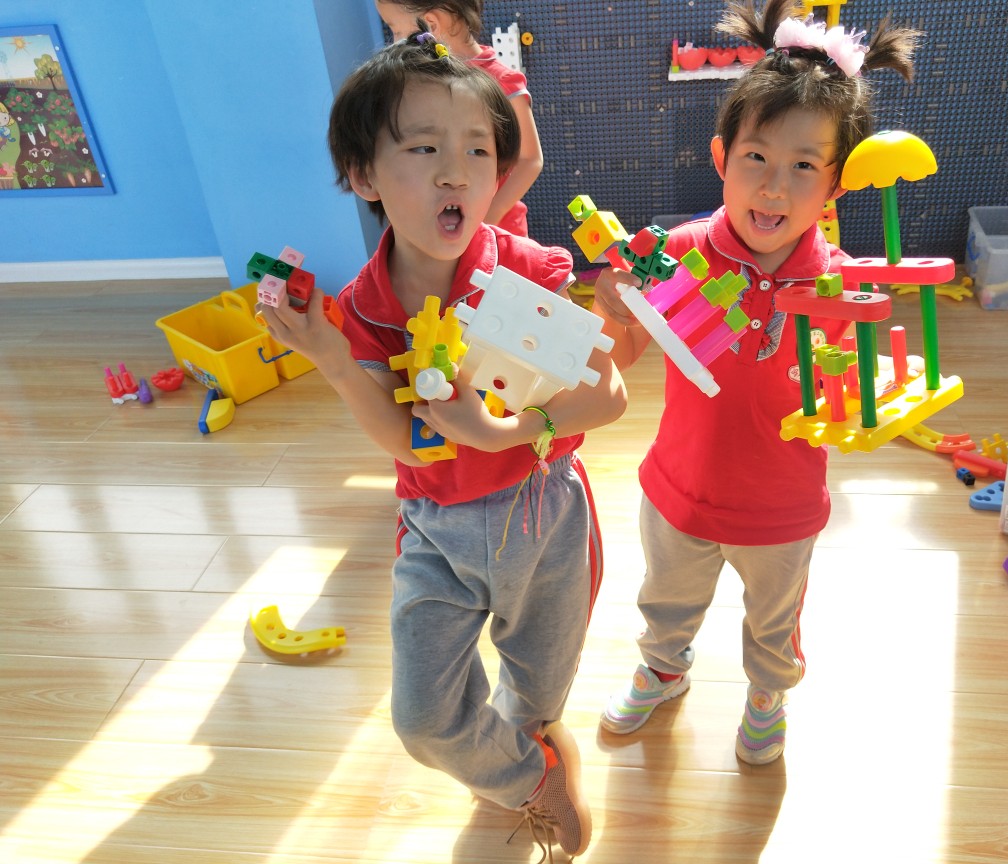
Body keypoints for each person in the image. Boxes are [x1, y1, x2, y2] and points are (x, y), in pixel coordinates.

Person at [259, 33, 627, 857]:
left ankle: (533, 743)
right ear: (364, 176)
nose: (456, 171)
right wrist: (330, 357)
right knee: (424, 719)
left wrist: (503, 429)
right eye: (424, 149)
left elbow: (608, 397)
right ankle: (532, 776)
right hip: (436, 531)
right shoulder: (364, 306)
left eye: (478, 150)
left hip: (544, 515)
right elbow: (407, 444)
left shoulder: (529, 274)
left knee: (536, 697)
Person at [591, 0, 919, 765]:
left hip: (784, 505)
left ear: (835, 184)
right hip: (679, 490)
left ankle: (768, 694)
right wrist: (611, 308)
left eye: (803, 166)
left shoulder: (839, 284)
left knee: (774, 621)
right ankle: (663, 670)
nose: (774, 188)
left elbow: (850, 385)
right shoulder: (674, 254)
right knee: (666, 601)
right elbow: (623, 352)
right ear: (721, 157)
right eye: (757, 159)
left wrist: (867, 381)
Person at [374, 1, 543, 237]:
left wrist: (488, 217)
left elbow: (530, 159)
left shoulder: (501, 81)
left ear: (431, 24)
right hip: (446, 226)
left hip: (496, 233)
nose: (394, 42)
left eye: (396, 30)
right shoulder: (424, 82)